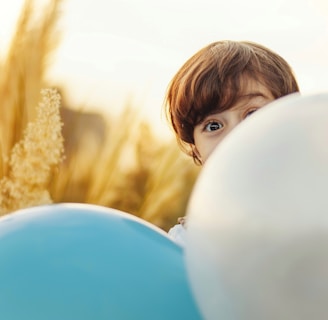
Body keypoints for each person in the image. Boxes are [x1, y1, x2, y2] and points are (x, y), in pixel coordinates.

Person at [164, 40, 300, 244]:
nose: (236, 135)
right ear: (197, 149)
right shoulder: (187, 243)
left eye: (253, 113)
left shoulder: (313, 216)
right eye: (213, 126)